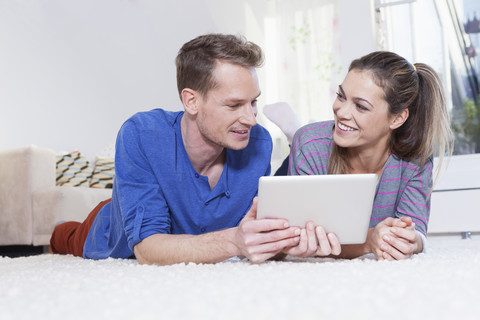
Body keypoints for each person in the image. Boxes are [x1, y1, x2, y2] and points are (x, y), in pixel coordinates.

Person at [49, 33, 305, 265]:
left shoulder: (258, 142)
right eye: (234, 105)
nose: (250, 118)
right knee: (62, 236)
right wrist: (234, 241)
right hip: (111, 226)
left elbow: (261, 224)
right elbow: (148, 250)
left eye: (253, 103)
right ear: (191, 101)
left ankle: (301, 141)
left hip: (186, 217)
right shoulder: (141, 134)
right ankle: (63, 228)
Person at [277, 51, 453, 260]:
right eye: (341, 96)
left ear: (397, 118)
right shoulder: (309, 144)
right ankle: (291, 134)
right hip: (311, 150)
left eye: (360, 106)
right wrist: (369, 241)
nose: (341, 112)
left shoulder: (415, 156)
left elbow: (417, 232)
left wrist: (409, 241)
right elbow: (300, 240)